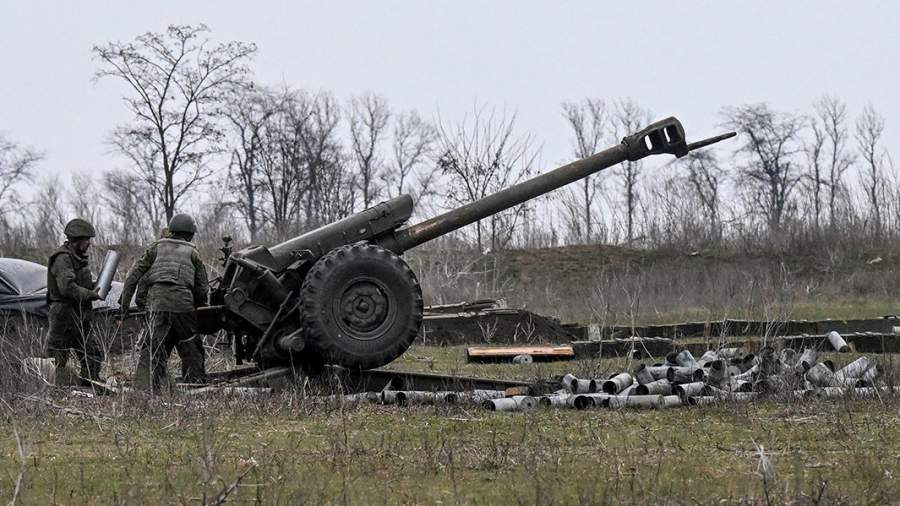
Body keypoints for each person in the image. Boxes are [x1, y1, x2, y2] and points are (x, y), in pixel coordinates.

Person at [119, 214, 209, 392]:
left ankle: (145, 389)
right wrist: (198, 306)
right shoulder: (193, 253)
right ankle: (195, 387)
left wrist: (124, 305)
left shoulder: (155, 248)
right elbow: (202, 288)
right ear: (190, 234)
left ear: (172, 231)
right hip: (183, 307)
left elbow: (132, 277)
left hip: (157, 306)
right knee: (191, 347)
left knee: (153, 349)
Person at [46, 218, 104, 385]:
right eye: (87, 240)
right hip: (64, 313)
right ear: (77, 240)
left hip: (80, 312)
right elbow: (67, 287)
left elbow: (80, 283)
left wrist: (96, 287)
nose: (89, 244)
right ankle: (53, 386)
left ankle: (89, 384)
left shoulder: (76, 257)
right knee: (57, 354)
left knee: (91, 352)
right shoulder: (62, 258)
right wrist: (89, 294)